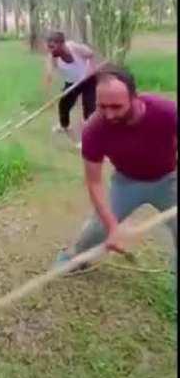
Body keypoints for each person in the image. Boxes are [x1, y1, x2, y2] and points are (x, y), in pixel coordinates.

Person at [55, 65, 177, 274]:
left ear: (134, 97)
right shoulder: (94, 129)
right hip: (126, 182)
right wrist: (112, 227)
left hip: (168, 180)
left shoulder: (166, 112)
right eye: (102, 106)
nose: (109, 115)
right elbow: (94, 182)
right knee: (96, 230)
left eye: (116, 107)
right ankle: (73, 257)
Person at [43, 30, 97, 146]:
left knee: (89, 110)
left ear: (62, 44)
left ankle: (88, 139)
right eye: (49, 47)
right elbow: (49, 75)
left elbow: (91, 54)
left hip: (88, 80)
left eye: (53, 47)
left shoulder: (75, 48)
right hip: (71, 83)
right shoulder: (52, 56)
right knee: (63, 106)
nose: (50, 50)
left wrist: (90, 71)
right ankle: (64, 125)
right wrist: (49, 97)